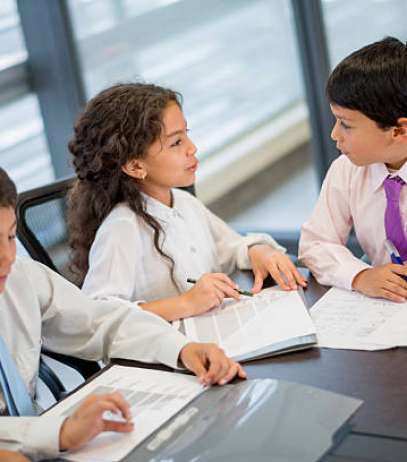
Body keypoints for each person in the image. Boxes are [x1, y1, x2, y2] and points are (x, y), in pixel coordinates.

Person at [0, 168, 245, 460]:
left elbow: (101, 321)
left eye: (11, 236)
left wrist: (181, 349)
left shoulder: (20, 277)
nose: (8, 256)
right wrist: (58, 433)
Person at [67, 83, 306, 322]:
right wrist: (185, 303)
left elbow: (231, 247)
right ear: (135, 166)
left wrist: (258, 251)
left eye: (186, 135)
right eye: (176, 143)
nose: (192, 148)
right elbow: (98, 316)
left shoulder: (184, 203)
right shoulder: (122, 227)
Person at [299, 36, 407, 302]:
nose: (334, 135)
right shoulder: (346, 170)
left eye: (346, 124)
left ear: (399, 130)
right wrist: (360, 276)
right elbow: (315, 244)